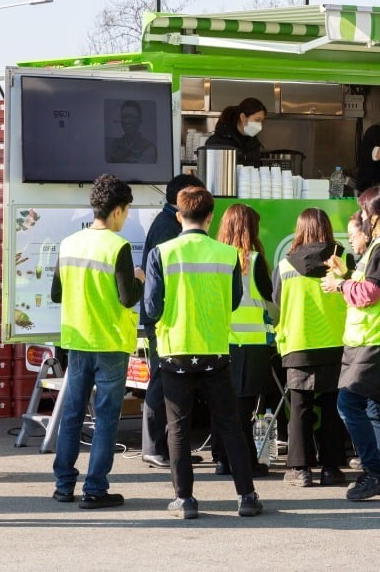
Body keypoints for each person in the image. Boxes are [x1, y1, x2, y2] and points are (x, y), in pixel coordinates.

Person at [142, 186, 263, 519]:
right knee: (229, 425)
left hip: (175, 351)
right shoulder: (227, 254)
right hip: (215, 351)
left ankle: (185, 500)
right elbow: (235, 300)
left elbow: (151, 308)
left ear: (179, 215)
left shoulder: (162, 253)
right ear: (210, 217)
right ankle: (247, 496)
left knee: (178, 427)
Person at [49, 174, 144, 508]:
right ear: (117, 210)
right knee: (105, 419)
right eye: (127, 210)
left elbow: (56, 293)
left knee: (73, 415)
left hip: (77, 342)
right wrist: (138, 279)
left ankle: (63, 486)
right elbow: (127, 298)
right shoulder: (117, 247)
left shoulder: (69, 243)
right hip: (110, 344)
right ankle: (95, 490)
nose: (127, 216)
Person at [322, 187, 380, 501]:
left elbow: (372, 292)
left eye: (362, 211)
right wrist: (348, 275)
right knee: (377, 406)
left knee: (348, 404)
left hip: (375, 337)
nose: (360, 217)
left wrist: (340, 284)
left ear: (372, 215)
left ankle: (375, 472)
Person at [272, 208, 349, 488]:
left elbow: (277, 302)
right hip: (335, 342)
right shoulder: (342, 262)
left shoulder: (285, 265)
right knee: (331, 407)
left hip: (298, 342)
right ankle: (331, 469)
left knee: (300, 407)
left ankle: (300, 469)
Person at [139, 173, 203, 469]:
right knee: (161, 381)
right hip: (165, 321)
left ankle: (169, 447)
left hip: (167, 320)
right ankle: (154, 446)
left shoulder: (166, 223)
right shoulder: (167, 228)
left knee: (168, 382)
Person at [211, 203, 276, 479]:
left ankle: (222, 459)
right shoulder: (255, 260)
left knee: (222, 404)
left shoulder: (214, 258)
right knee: (244, 409)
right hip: (251, 344)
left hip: (219, 341)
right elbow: (270, 303)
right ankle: (245, 461)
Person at [204, 97, 267, 166]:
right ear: (243, 117)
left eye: (261, 121)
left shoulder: (254, 143)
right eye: (257, 120)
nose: (260, 125)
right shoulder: (217, 142)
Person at [105, 99, 158, 164]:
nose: (126, 121)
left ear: (140, 120)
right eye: (124, 117)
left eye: (131, 117)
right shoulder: (114, 145)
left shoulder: (149, 148)